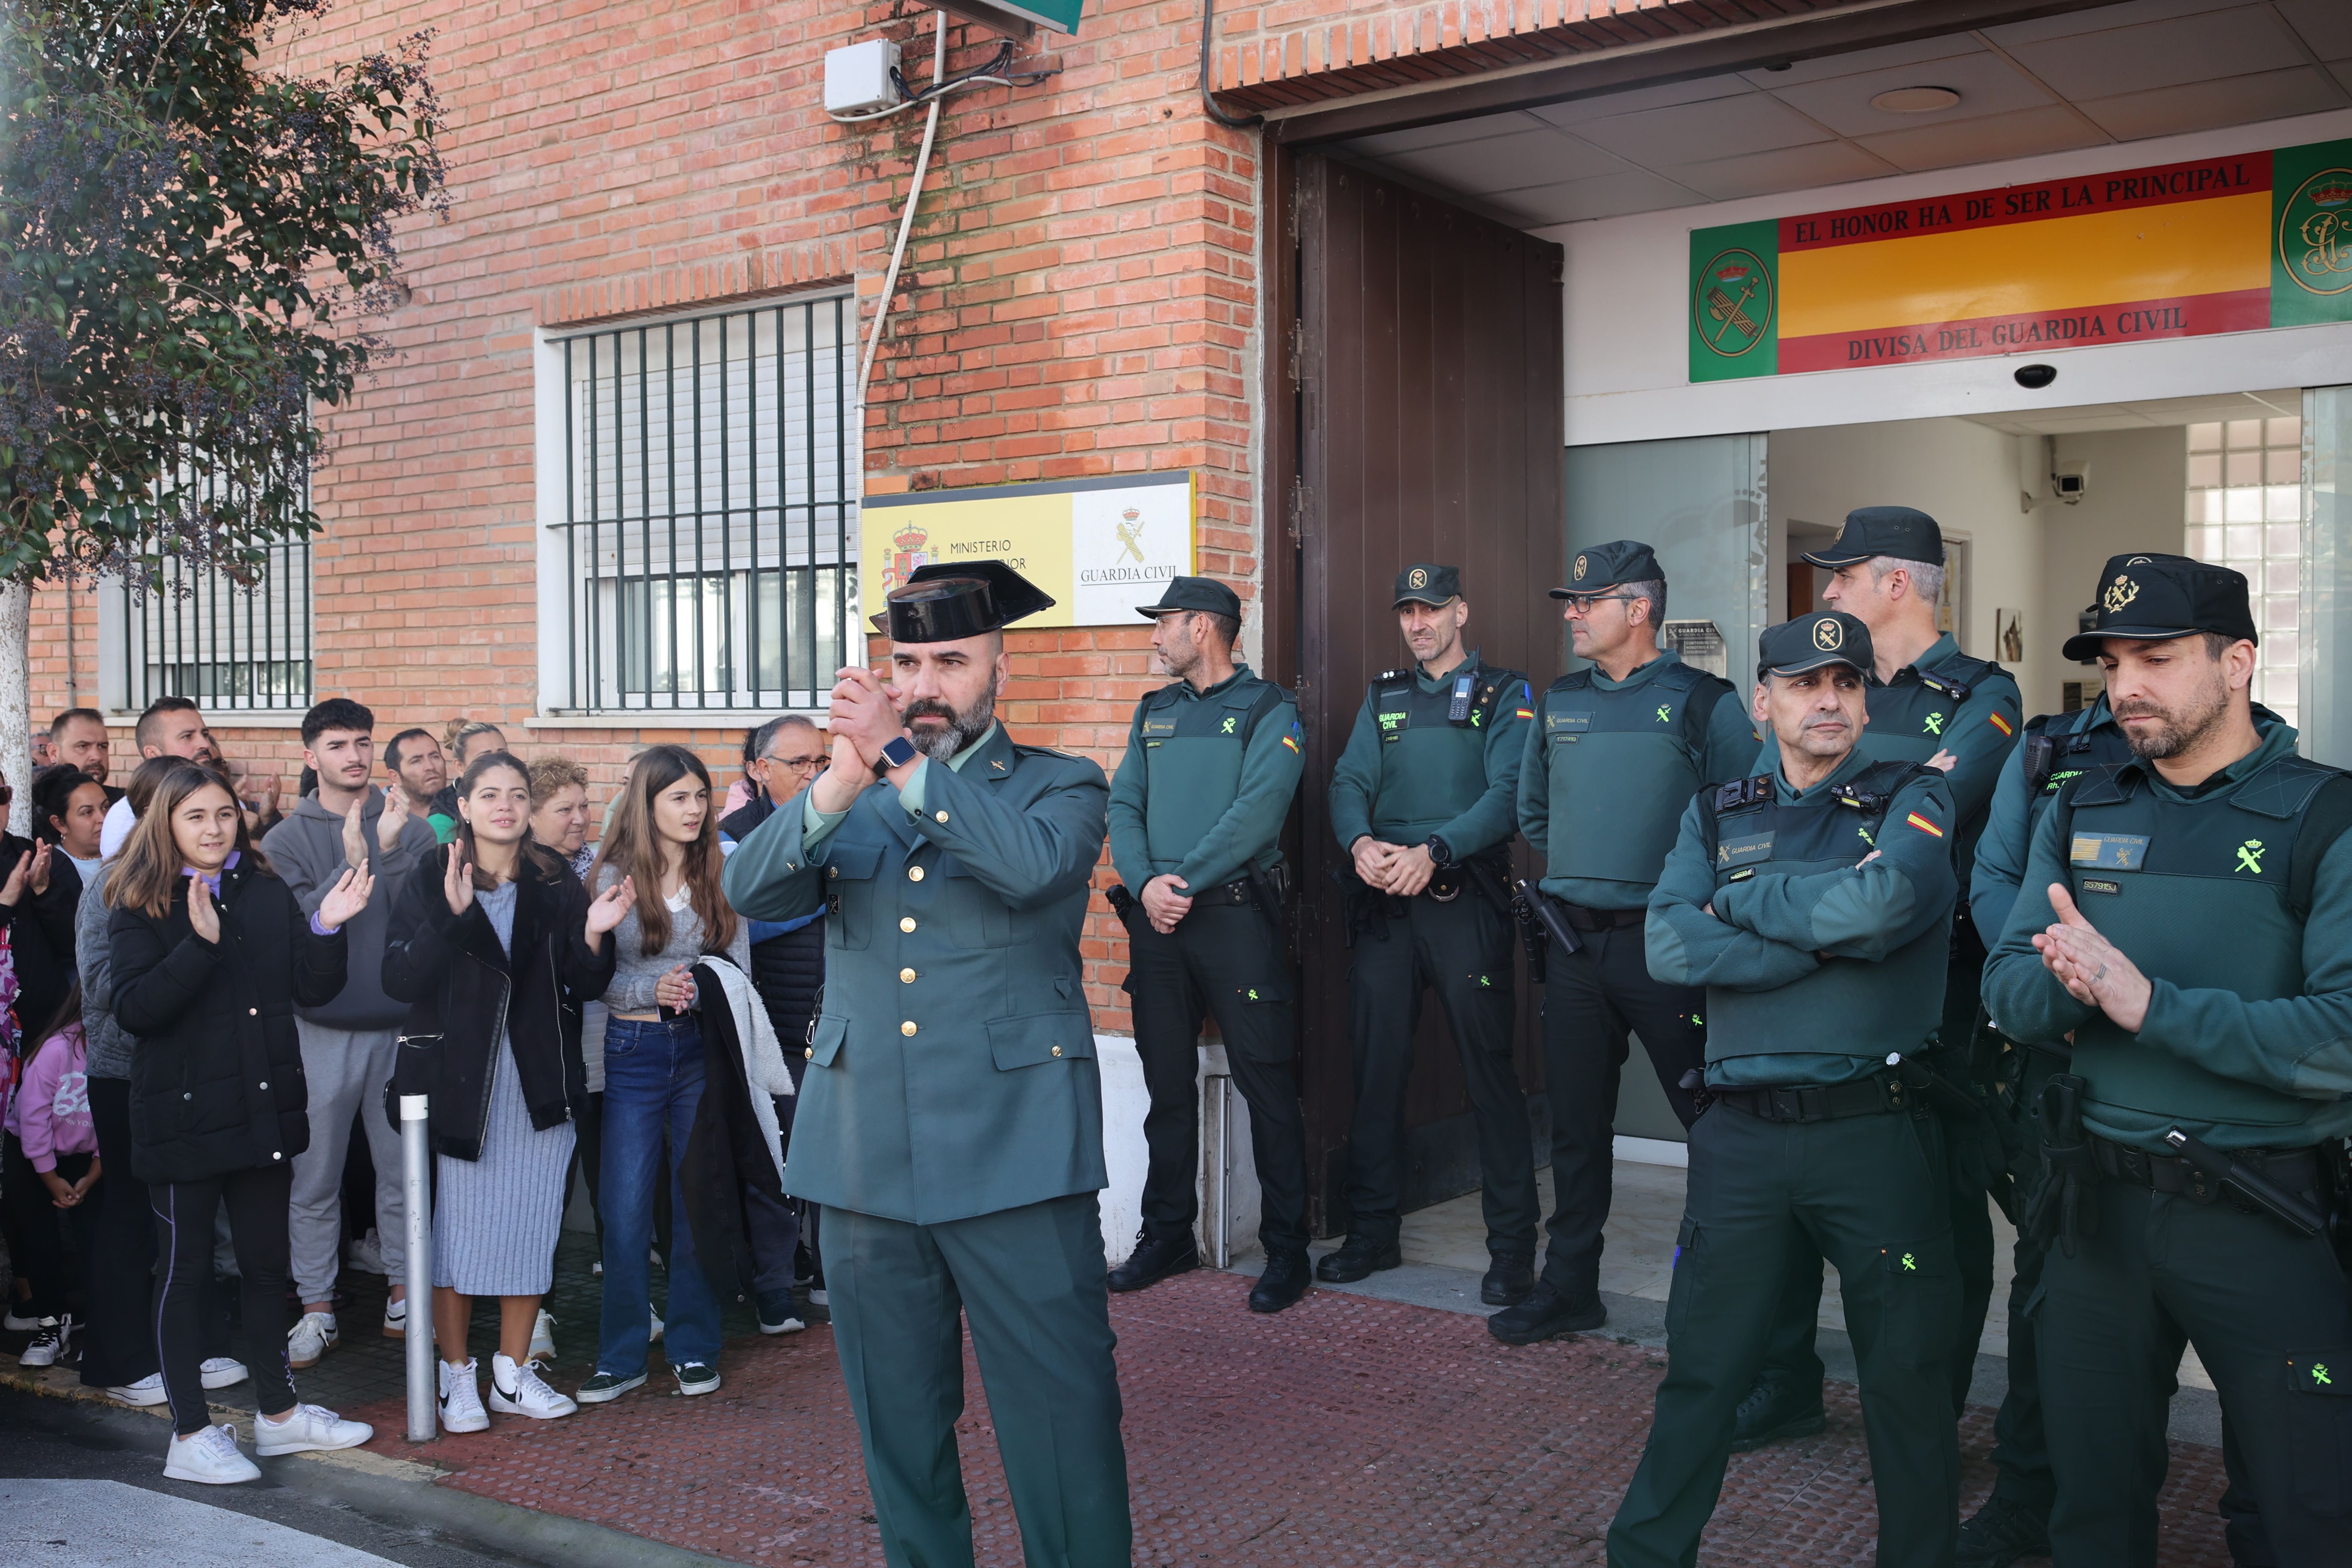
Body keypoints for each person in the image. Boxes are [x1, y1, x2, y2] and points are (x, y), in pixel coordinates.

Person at [722, 560, 1130, 1568]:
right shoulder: (851, 788)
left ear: (999, 664)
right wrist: (836, 778)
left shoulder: (1059, 783)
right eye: (905, 661)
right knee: (898, 1432)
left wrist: (903, 762)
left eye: (950, 659)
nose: (924, 680)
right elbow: (747, 889)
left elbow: (1034, 871)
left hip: (1015, 1155)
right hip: (865, 1158)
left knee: (1060, 1424)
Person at [1982, 556, 2352, 1565]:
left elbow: (2337, 1042)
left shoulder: (2324, 817)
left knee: (2299, 1514)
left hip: (2262, 1217)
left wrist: (2142, 1004)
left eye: (2155, 657)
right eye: (2111, 662)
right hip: (2096, 1215)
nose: (2124, 686)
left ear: (2234, 663)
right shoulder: (2081, 806)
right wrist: (2066, 980)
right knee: (2090, 1514)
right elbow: (2005, 993)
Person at [1607, 609, 1961, 1568]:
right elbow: (1671, 943)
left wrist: (1746, 907)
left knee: (1907, 1385)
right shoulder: (1718, 810)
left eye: (1846, 683)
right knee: (1705, 1373)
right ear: (1764, 700)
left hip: (1874, 1136)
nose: (1830, 701)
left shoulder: (1911, 801)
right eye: (1807, 684)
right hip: (1743, 1143)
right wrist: (1821, 941)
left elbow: (1884, 908)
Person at [1738, 505, 2022, 1451]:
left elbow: (1940, 796)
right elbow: (1765, 819)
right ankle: (1786, 1384)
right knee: (1786, 1189)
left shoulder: (1984, 694)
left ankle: (1926, 1415)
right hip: (1811, 975)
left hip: (1936, 993)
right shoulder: (1833, 689)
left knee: (1937, 1200)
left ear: (1896, 583)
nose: (1828, 592)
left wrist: (1850, 842)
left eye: (1843, 575)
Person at [1498, 542, 1755, 1345]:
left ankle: (1720, 1302)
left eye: (1587, 600)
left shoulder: (1701, 701)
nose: (1571, 612)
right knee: (1576, 1127)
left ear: (1638, 609)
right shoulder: (1559, 699)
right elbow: (1533, 812)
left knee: (1712, 1125)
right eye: (1570, 600)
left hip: (1668, 945)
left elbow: (1742, 816)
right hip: (1573, 945)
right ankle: (1569, 1286)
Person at [107, 760, 378, 1484]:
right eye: (195, 815)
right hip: (183, 1119)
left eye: (224, 813)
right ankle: (190, 1432)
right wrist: (198, 944)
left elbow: (311, 987)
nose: (213, 827)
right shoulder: (138, 900)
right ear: (165, 822)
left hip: (261, 1113)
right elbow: (136, 1010)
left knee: (268, 1271)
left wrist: (327, 925)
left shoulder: (261, 891)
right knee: (184, 1275)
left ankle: (280, 1416)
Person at [383, 750, 629, 1430]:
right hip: (463, 1083)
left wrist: (595, 935)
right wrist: (450, 919)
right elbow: (399, 982)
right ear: (461, 806)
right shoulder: (433, 874)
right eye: (488, 794)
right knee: (457, 1238)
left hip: (539, 1081)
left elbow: (586, 982)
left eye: (517, 794)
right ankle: (456, 1375)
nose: (505, 806)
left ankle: (511, 1375)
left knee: (530, 1230)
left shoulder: (553, 878)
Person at [1322, 563, 1537, 1301]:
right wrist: (1359, 843)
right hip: (1385, 903)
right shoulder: (1383, 696)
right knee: (1376, 1071)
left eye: (1432, 609)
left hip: (1459, 898)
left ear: (1461, 612)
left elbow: (1509, 793)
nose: (1418, 623)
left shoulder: (1504, 693)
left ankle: (1512, 1249)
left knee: (1489, 1077)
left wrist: (1434, 849)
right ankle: (1371, 1233)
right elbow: (1349, 781)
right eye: (1407, 611)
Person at [1103, 576, 1310, 1312]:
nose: (1154, 637)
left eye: (1163, 623)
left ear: (1203, 627)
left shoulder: (1267, 709)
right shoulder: (1154, 710)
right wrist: (1144, 881)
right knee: (1165, 1086)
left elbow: (1258, 815)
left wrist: (1179, 880)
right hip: (1157, 924)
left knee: (1268, 1085)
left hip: (1232, 918)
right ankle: (1168, 1235)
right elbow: (1123, 802)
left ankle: (1289, 1249)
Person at [263, 699, 440, 1361]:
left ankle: (403, 1290)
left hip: (401, 1030)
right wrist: (351, 858)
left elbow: (420, 924)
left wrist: (387, 851)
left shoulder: (415, 830)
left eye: (363, 743)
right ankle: (316, 1306)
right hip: (321, 1030)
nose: (355, 756)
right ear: (311, 757)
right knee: (315, 1177)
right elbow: (309, 927)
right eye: (338, 745)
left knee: (403, 1172)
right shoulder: (284, 840)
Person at [576, 744, 750, 1403]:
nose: (694, 809)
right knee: (623, 1211)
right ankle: (620, 1357)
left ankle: (695, 1347)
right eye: (678, 797)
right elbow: (601, 981)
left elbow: (738, 972)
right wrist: (656, 989)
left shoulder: (724, 868)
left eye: (701, 796)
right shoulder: (612, 873)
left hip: (701, 1055)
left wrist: (698, 991)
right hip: (634, 1054)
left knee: (694, 1203)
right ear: (647, 805)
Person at [717, 717, 827, 1335]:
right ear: (759, 770)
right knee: (779, 1161)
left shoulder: (845, 817)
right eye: (798, 762)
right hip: (775, 1028)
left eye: (822, 759)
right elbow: (744, 919)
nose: (814, 772)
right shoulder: (733, 837)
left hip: (839, 1021)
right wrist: (820, 894)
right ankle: (775, 1284)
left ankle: (824, 1270)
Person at [6, 984, 97, 1367]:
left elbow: (121, 1119)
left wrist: (94, 1173)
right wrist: (49, 1178)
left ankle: (105, 1324)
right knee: (37, 1234)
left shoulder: (125, 1051)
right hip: (32, 1148)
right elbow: (32, 1119)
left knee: (100, 1235)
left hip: (88, 1155)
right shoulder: (56, 1049)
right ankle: (50, 1322)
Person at [100, 698, 236, 856]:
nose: (205, 744)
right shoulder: (125, 817)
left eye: (204, 734)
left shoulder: (226, 799)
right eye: (187, 736)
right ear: (153, 754)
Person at [36, 764, 107, 887]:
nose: (102, 818)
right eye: (87, 812)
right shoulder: (51, 868)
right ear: (59, 824)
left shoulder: (127, 852)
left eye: (106, 807)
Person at [386, 729, 456, 842]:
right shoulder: (381, 819)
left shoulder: (465, 808)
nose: (430, 767)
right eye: (416, 761)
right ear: (395, 777)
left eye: (435, 757)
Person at [49, 709, 117, 799]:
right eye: (83, 746)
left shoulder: (125, 807)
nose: (97, 757)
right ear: (54, 753)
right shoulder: (31, 806)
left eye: (102, 747)